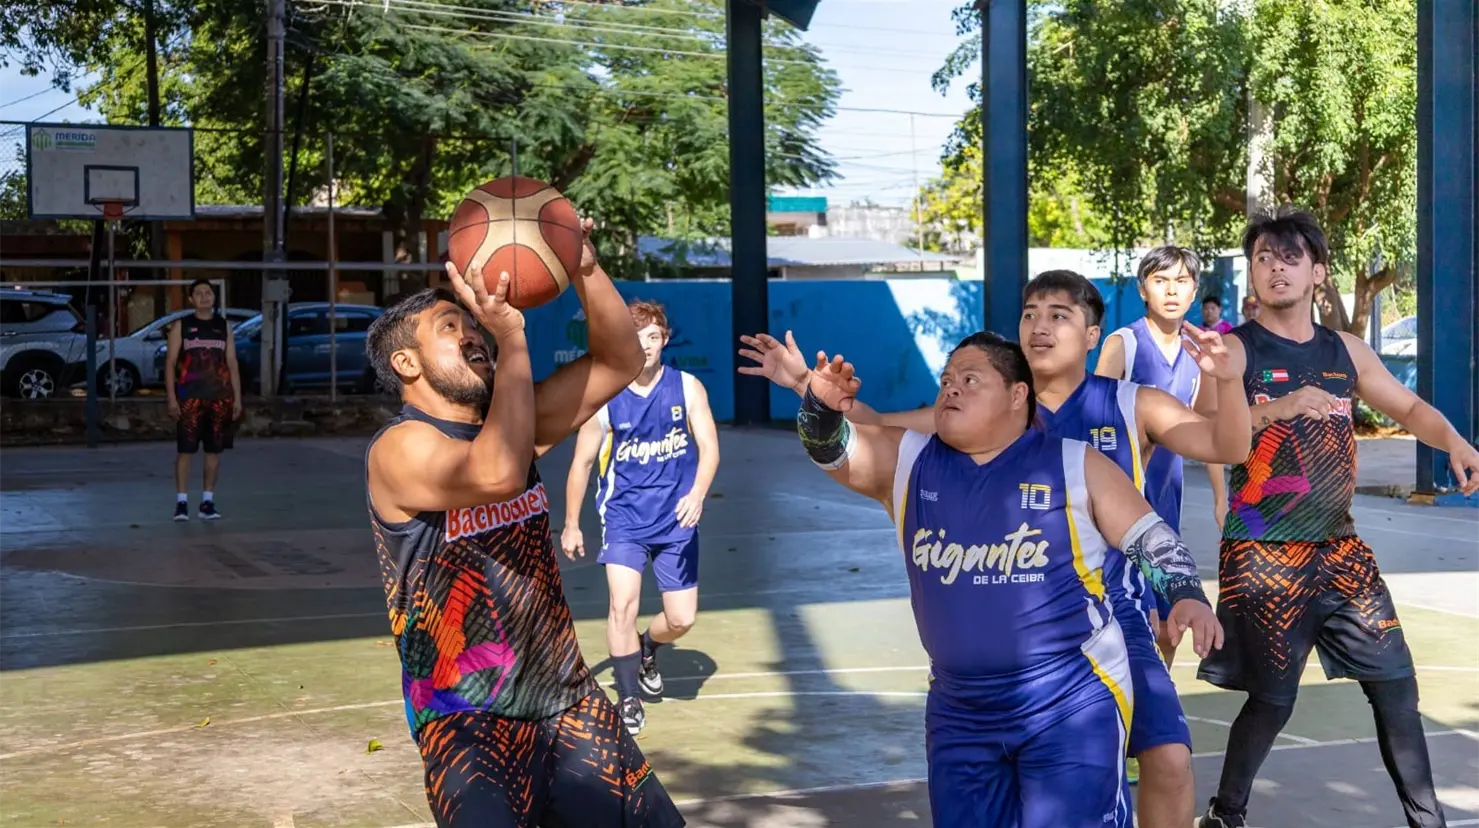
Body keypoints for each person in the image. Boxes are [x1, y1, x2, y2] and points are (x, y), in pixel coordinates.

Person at [738, 269, 1249, 828]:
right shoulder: (918, 455)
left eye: (970, 379)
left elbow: (1167, 523)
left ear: (1016, 395)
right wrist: (811, 397)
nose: (951, 387)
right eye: (946, 379)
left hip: (1082, 663)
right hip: (961, 703)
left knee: (1168, 758)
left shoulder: (1090, 443)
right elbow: (844, 440)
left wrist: (1185, 595)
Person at [363, 222, 685, 828]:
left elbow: (621, 359)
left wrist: (584, 267)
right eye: (449, 327)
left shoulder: (515, 422)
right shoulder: (399, 450)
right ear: (406, 363)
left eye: (474, 324)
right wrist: (512, 338)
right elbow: (497, 474)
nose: (473, 332)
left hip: (566, 698)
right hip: (466, 718)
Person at [1195, 208, 1479, 828]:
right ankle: (1226, 813)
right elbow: (1210, 435)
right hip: (1264, 554)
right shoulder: (1234, 349)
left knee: (1397, 688)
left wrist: (1454, 439)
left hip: (1340, 551)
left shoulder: (1344, 350)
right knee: (1272, 699)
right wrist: (1280, 407)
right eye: (1264, 258)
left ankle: (1426, 820)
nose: (1276, 267)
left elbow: (1405, 405)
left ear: (1318, 272)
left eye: (1290, 257)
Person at [560, 300, 720, 736]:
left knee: (682, 619)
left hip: (676, 520)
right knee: (621, 605)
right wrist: (572, 522)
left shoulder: (687, 388)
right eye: (637, 339)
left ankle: (649, 647)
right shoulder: (605, 400)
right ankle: (628, 697)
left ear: (664, 340)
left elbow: (709, 446)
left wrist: (698, 493)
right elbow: (582, 464)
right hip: (624, 519)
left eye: (653, 338)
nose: (646, 347)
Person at [1095, 247, 1229, 666]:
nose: (1171, 290)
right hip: (1118, 510)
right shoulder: (1124, 344)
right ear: (1143, 290)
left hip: (1166, 506)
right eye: (1160, 280)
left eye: (1181, 281)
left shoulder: (1199, 351)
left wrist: (1220, 496)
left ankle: (1155, 714)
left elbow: (1205, 429)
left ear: (1194, 294)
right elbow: (1091, 421)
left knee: (1169, 626)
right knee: (1122, 622)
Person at [164, 278, 242, 521]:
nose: (205, 297)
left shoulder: (224, 326)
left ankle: (207, 503)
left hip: (219, 398)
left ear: (214, 297)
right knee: (186, 451)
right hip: (189, 397)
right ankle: (182, 503)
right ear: (191, 299)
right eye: (199, 293)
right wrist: (171, 397)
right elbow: (169, 363)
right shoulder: (182, 326)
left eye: (208, 292)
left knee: (213, 451)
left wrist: (237, 397)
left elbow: (232, 363)